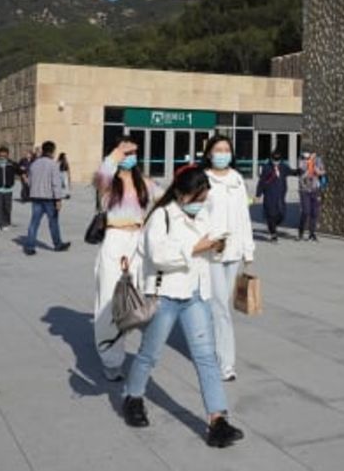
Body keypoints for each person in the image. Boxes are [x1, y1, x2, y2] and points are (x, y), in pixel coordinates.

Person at [121, 166, 245, 448]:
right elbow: (160, 255)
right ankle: (133, 396)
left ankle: (218, 420)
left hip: (196, 295)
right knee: (149, 354)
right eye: (196, 197)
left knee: (205, 357)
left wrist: (216, 247)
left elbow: (204, 252)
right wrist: (197, 247)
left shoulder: (203, 215)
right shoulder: (161, 217)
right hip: (165, 295)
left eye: (204, 197)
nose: (201, 203)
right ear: (180, 193)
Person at [93, 136, 158, 381]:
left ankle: (145, 354)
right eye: (126, 152)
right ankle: (111, 359)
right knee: (110, 301)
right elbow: (100, 176)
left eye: (133, 152)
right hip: (115, 240)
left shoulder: (145, 184)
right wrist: (116, 154)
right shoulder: (108, 183)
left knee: (143, 302)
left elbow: (169, 198)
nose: (130, 156)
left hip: (139, 242)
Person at [201, 136, 254, 382]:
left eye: (226, 150)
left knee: (221, 306)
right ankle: (226, 363)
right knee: (219, 305)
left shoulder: (236, 180)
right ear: (209, 153)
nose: (222, 153)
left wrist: (248, 250)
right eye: (218, 149)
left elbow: (244, 216)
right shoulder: (203, 179)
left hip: (233, 251)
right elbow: (197, 216)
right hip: (211, 251)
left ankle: (216, 352)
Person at [24, 141, 69, 254]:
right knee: (53, 222)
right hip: (49, 198)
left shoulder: (34, 164)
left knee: (34, 222)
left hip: (36, 197)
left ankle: (30, 246)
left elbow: (29, 181)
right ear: (52, 151)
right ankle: (57, 244)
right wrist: (58, 199)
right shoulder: (53, 165)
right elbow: (56, 183)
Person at [255, 150, 299, 242]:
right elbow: (262, 182)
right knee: (271, 215)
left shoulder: (283, 166)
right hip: (269, 194)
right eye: (275, 159)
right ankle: (273, 234)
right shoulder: (266, 167)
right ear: (271, 158)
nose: (276, 161)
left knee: (281, 214)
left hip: (280, 195)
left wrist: (299, 171)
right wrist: (258, 194)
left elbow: (291, 172)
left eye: (278, 159)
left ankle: (273, 226)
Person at [297, 148, 327, 242]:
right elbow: (302, 175)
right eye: (306, 156)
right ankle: (301, 231)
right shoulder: (301, 161)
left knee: (315, 212)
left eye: (309, 156)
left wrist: (315, 167)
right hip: (304, 190)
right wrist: (309, 166)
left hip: (315, 189)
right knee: (306, 211)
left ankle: (312, 233)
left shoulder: (317, 160)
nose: (307, 157)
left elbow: (322, 172)